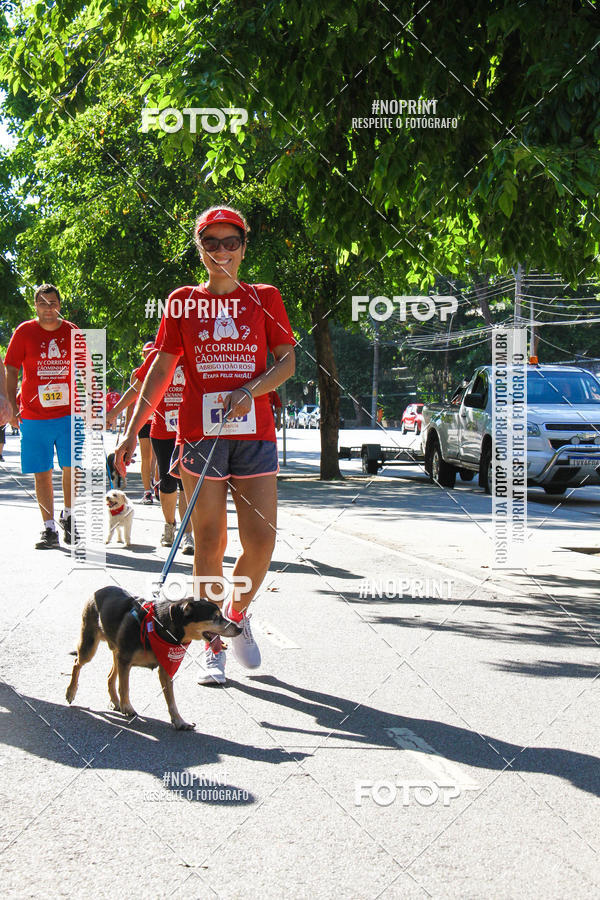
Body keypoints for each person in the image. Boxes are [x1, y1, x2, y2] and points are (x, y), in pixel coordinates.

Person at [115, 205, 295, 684]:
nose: (221, 251)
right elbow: (160, 370)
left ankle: (235, 614)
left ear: (243, 247)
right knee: (209, 540)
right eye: (210, 243)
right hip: (198, 433)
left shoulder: (265, 298)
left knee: (261, 542)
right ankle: (213, 639)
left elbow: (287, 363)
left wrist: (249, 391)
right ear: (199, 249)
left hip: (254, 432)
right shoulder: (180, 302)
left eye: (230, 242)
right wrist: (134, 429)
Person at [4, 284, 77, 548]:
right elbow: (11, 369)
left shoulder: (72, 331)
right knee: (42, 472)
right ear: (35, 305)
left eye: (53, 302)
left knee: (72, 467)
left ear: (60, 304)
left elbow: (86, 370)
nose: (49, 308)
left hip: (68, 414)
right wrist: (11, 405)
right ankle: (49, 529)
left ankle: (69, 517)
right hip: (34, 416)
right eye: (44, 303)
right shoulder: (24, 332)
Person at [107, 351, 194, 553]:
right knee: (167, 481)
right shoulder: (159, 354)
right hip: (163, 431)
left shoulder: (195, 347)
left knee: (187, 482)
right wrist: (113, 413)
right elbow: (135, 390)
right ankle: (169, 526)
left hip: (190, 430)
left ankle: (187, 534)